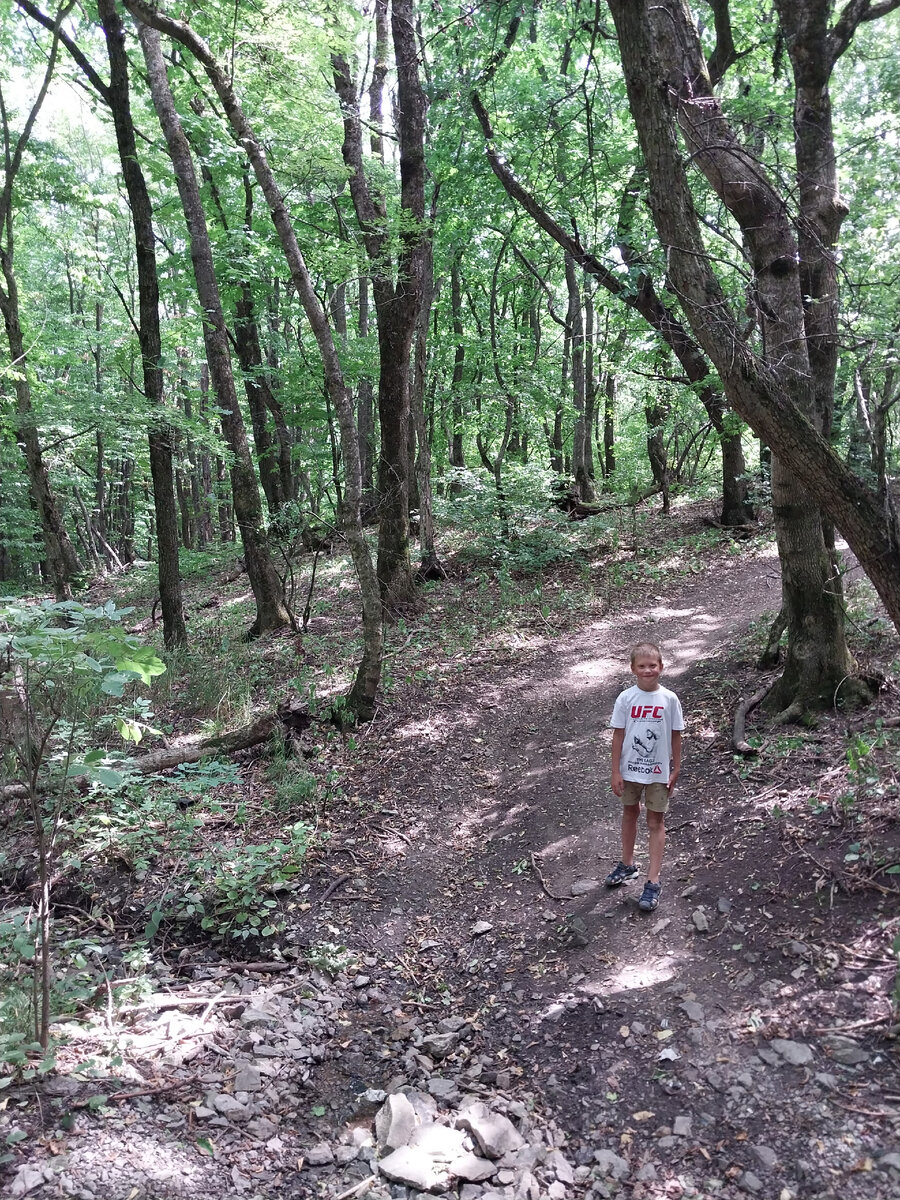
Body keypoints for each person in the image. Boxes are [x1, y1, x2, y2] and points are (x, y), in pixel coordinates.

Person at [605, 641, 683, 912]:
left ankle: (653, 880)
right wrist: (615, 770)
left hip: (658, 771)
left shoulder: (669, 699)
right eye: (642, 666)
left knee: (655, 820)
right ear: (633, 669)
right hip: (630, 770)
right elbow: (618, 734)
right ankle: (627, 865)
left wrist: (676, 767)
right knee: (629, 813)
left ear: (661, 667)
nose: (648, 670)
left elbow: (676, 734)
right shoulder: (626, 698)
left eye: (653, 665)